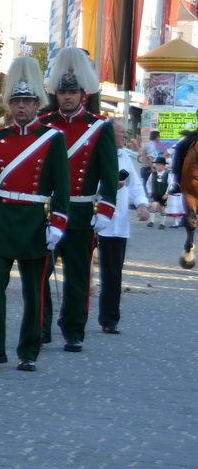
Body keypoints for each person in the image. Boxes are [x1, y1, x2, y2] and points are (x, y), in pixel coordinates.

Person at [0, 57, 70, 373]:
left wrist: (58, 222)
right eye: (16, 101)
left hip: (34, 221)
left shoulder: (52, 137)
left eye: (27, 101)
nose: (21, 107)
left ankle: (29, 350)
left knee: (34, 291)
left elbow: (62, 186)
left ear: (37, 104)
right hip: (3, 219)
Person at [37, 49, 118, 352]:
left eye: (72, 91)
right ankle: (41, 325)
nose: (67, 97)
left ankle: (73, 329)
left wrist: (106, 208)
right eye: (62, 91)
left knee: (78, 276)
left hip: (82, 210)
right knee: (39, 272)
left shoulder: (100, 126)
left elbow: (109, 173)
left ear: (83, 93)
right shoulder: (44, 124)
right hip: (47, 210)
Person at [96, 119, 151, 334]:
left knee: (113, 273)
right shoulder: (95, 155)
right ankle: (72, 319)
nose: (125, 137)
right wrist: (109, 184)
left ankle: (109, 319)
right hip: (91, 220)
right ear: (109, 134)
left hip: (115, 223)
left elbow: (135, 185)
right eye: (121, 133)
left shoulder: (124, 158)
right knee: (81, 272)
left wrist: (142, 205)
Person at [148, 156, 172, 227]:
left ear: (164, 166)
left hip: (163, 194)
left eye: (160, 165)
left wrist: (167, 194)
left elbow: (170, 184)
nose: (159, 167)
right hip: (155, 193)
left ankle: (162, 223)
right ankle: (151, 221)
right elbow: (148, 183)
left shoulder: (167, 174)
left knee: (162, 209)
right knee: (153, 206)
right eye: (157, 165)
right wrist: (149, 191)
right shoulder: (153, 174)